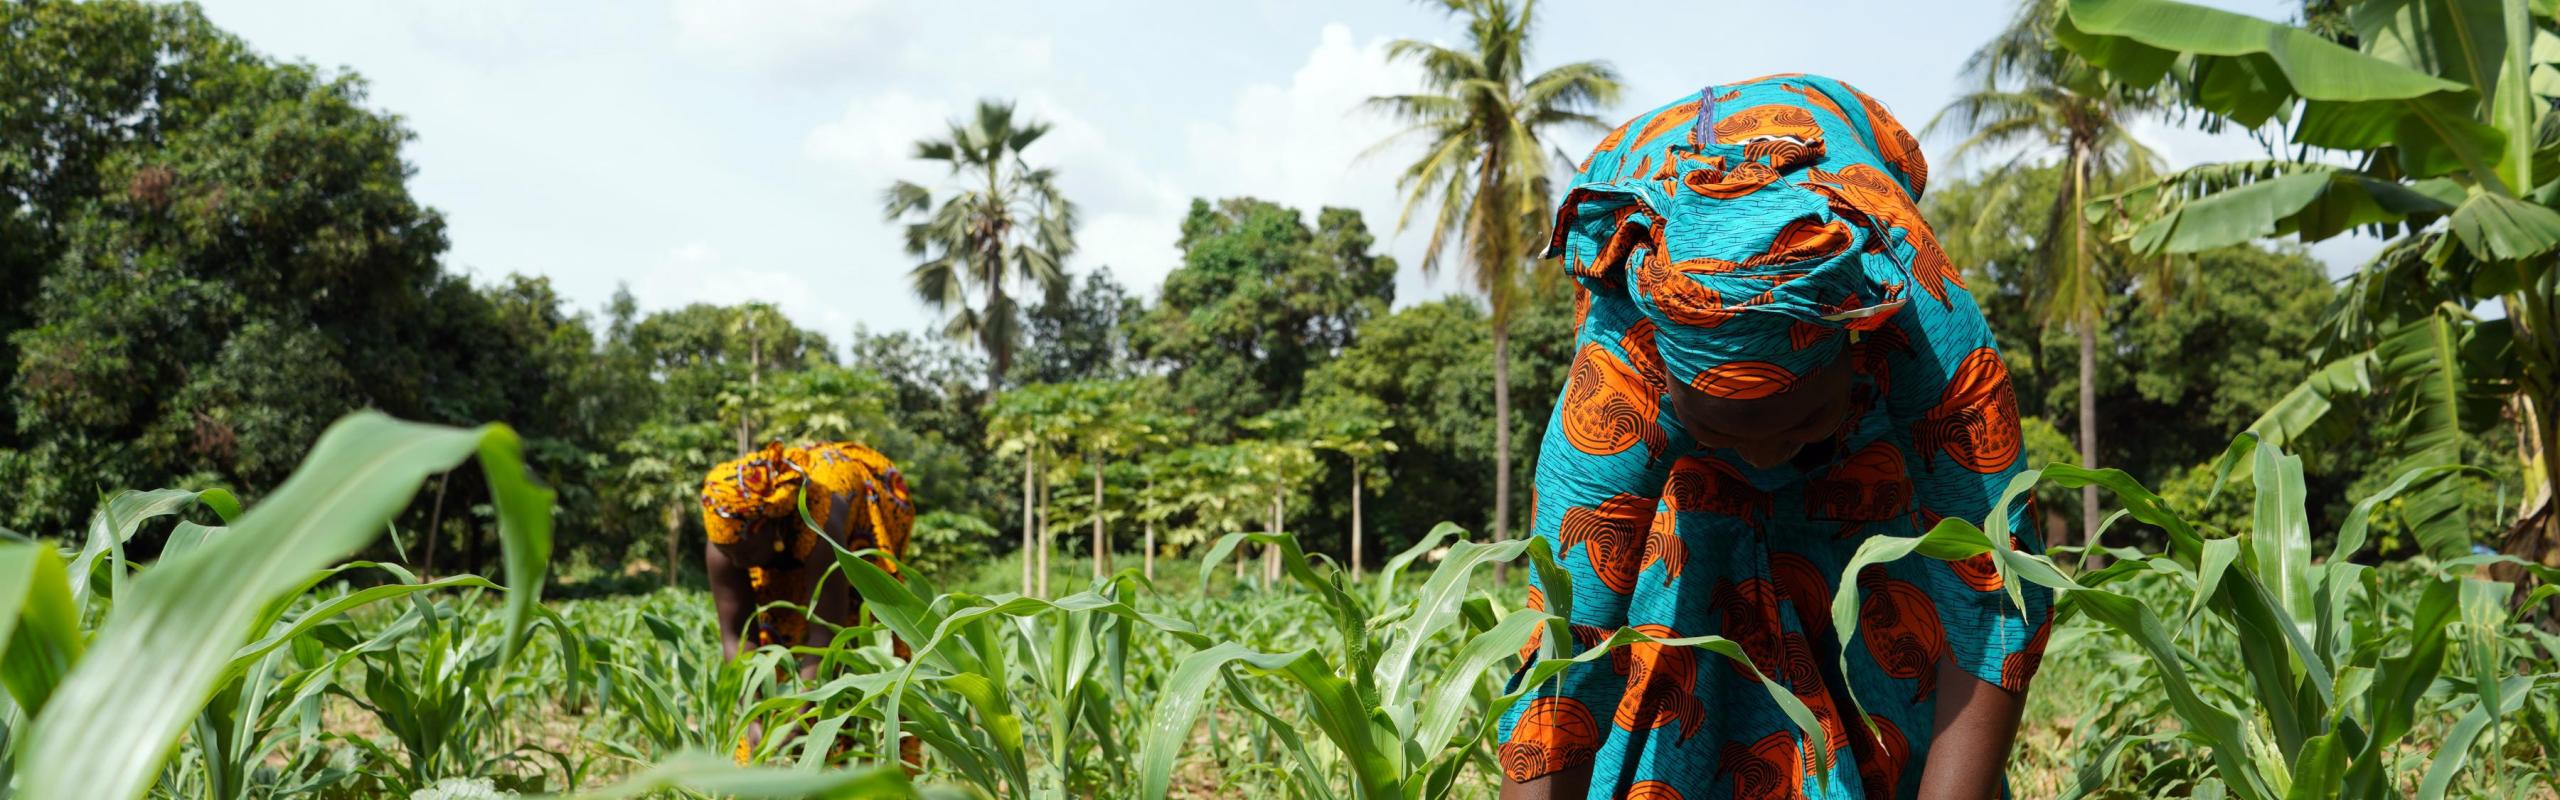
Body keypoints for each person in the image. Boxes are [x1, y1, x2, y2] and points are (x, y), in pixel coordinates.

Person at [1498, 74, 2052, 800]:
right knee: (1681, 601)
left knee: (1897, 631)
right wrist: (1733, 440)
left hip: (1867, 443)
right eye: (1721, 428)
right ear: (1670, 389)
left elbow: (1997, 595)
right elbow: (1565, 657)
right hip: (1693, 468)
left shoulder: (1921, 325)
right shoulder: (1625, 367)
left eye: (1799, 421)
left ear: (1855, 347)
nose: (1765, 453)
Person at [699, 440, 917, 763]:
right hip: (782, 542)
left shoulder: (820, 525)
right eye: (726, 552)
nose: (738, 563)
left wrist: (798, 719)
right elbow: (736, 638)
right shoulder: (726, 536)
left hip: (861, 514)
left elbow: (826, 636)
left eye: (743, 553)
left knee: (856, 645)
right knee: (781, 637)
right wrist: (754, 717)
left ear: (768, 525)